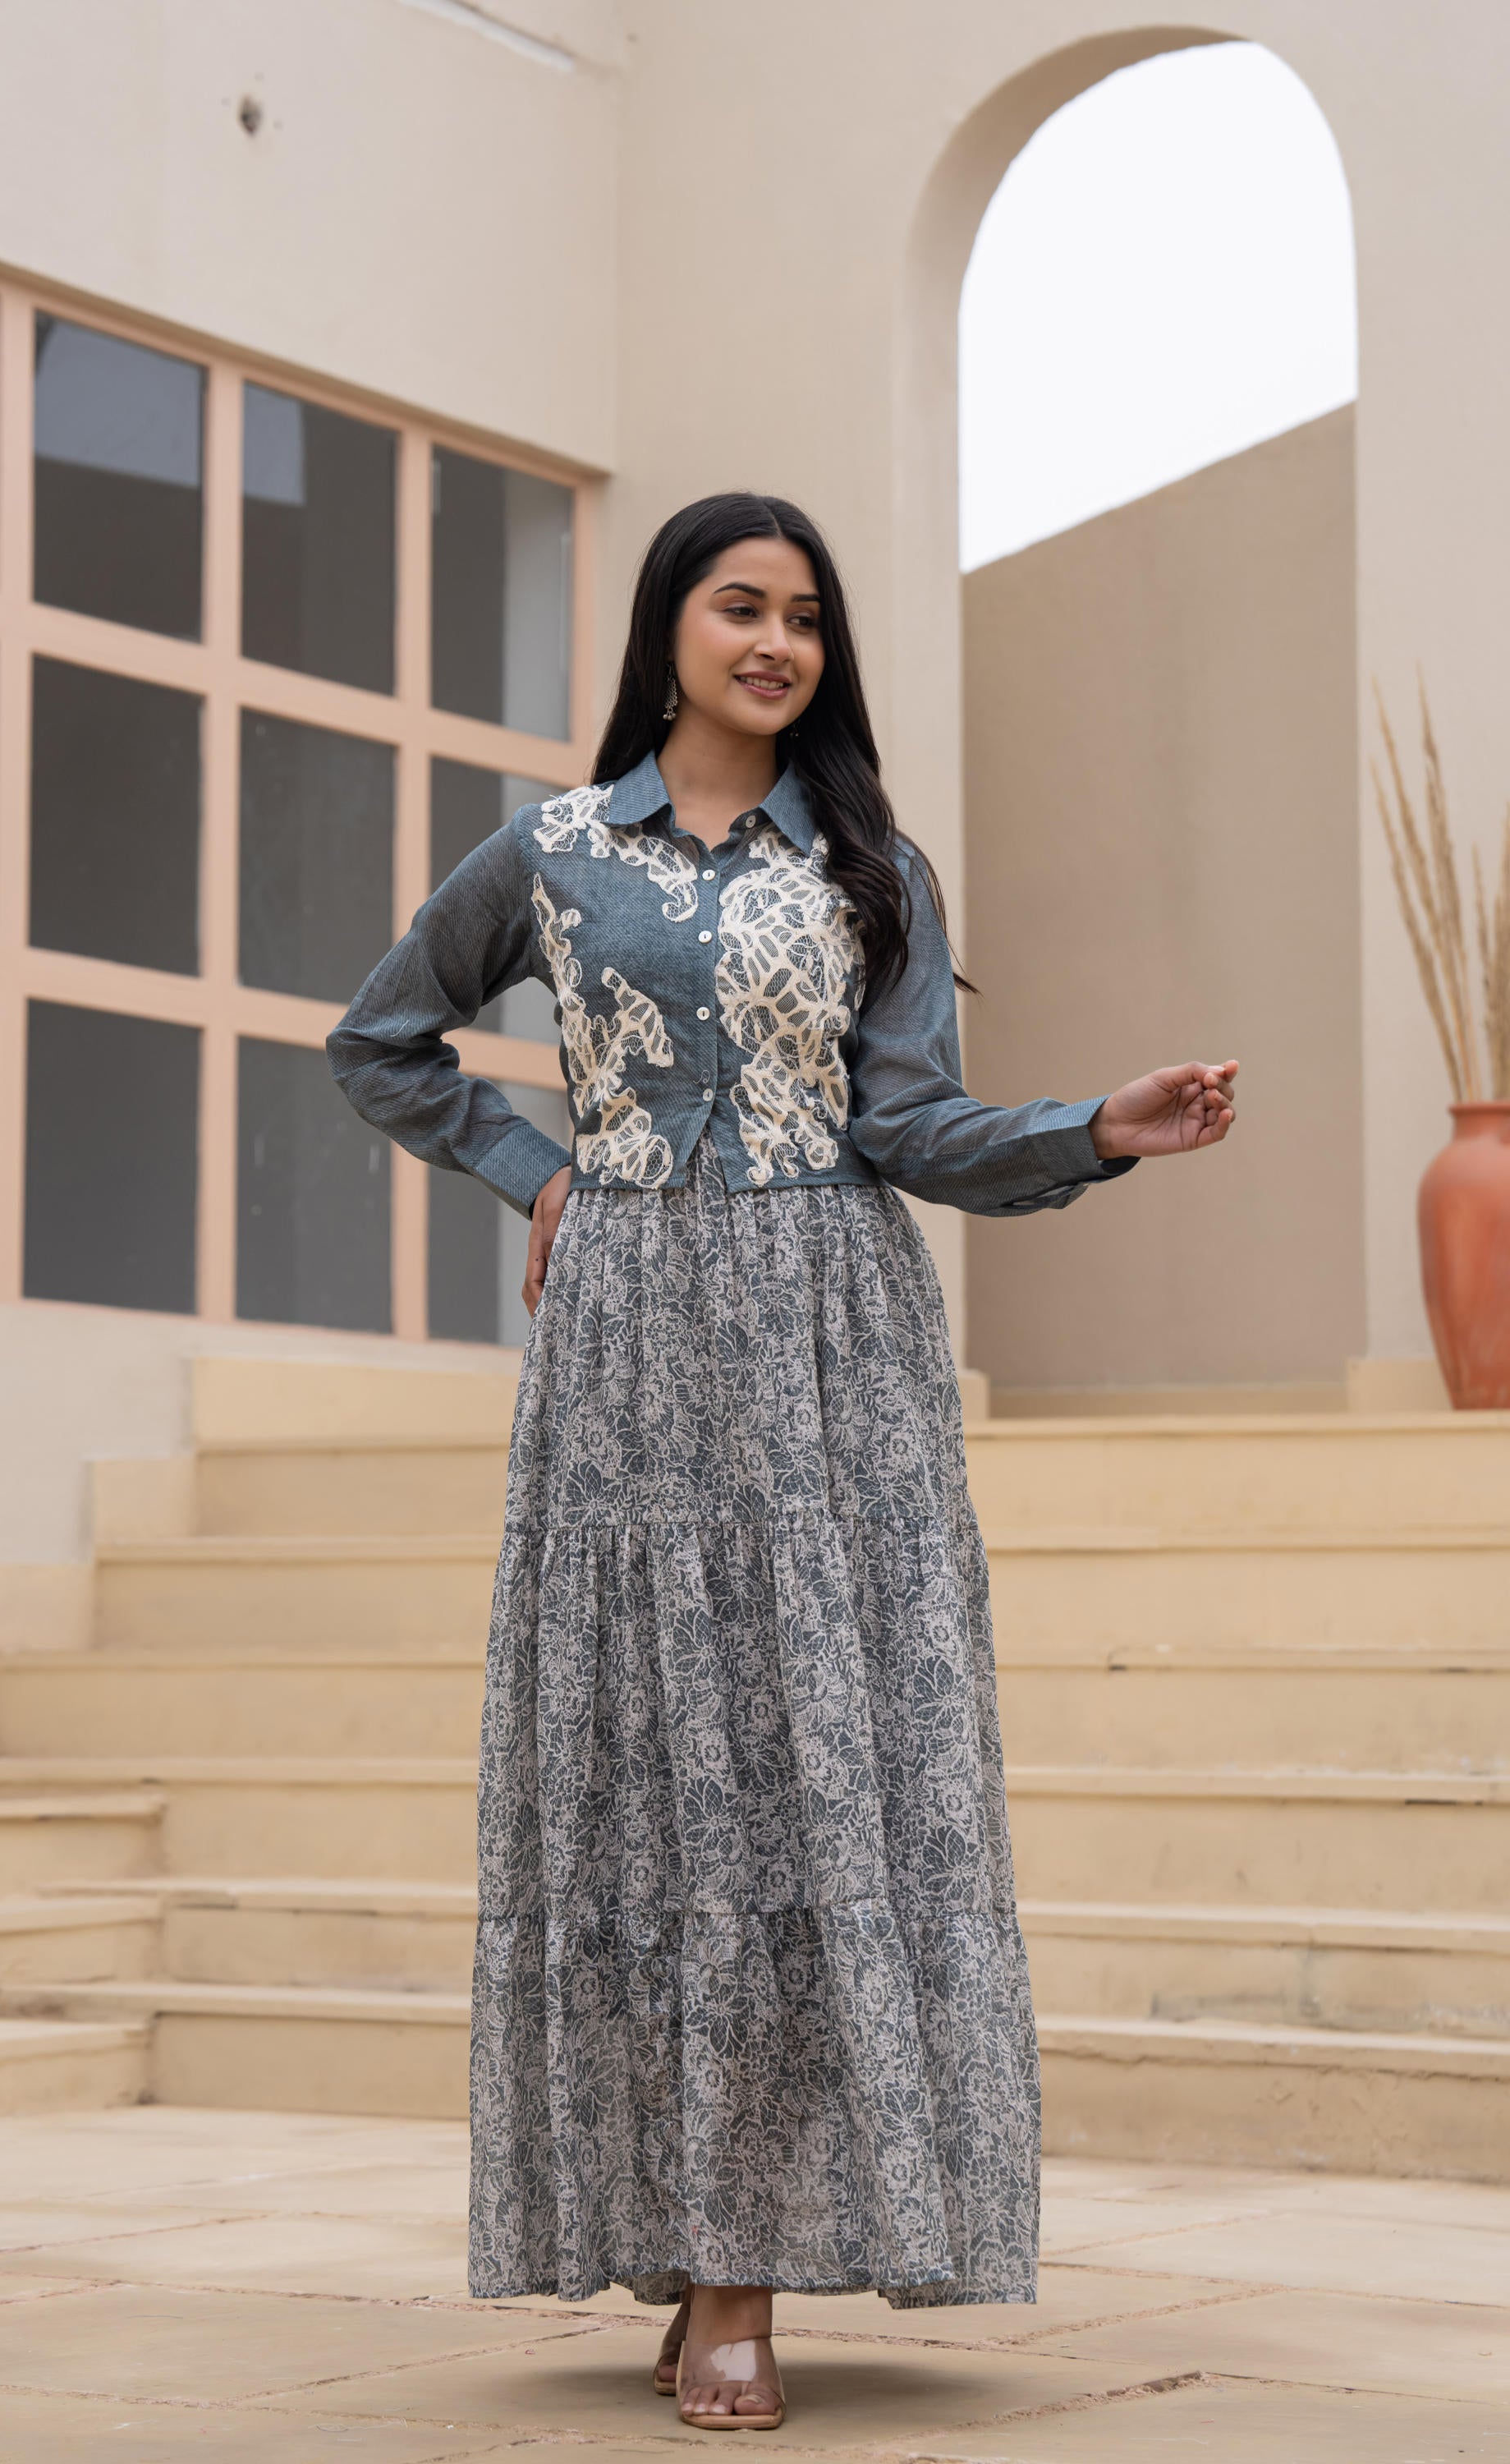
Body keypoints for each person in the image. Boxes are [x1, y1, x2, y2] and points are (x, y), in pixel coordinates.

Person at [327, 491, 1237, 2433]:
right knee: (661, 1786)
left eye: (806, 618)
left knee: (824, 1772)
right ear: (669, 626)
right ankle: (701, 2262)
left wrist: (1099, 1126)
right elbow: (384, 1039)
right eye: (741, 608)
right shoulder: (556, 858)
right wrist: (539, 1169)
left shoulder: (872, 867)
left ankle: (743, 2263)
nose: (776, 643)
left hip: (837, 1353)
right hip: (630, 1354)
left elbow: (910, 1128)